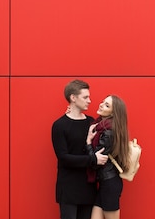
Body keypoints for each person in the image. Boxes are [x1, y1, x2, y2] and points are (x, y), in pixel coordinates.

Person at [52, 79, 109, 219]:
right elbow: (64, 158)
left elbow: (112, 122)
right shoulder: (59, 125)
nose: (89, 100)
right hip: (68, 189)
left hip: (88, 188)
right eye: (85, 97)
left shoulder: (91, 122)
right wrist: (92, 159)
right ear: (73, 98)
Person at [85, 95, 130, 219]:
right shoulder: (99, 126)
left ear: (113, 113)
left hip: (110, 183)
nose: (101, 104)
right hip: (105, 182)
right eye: (103, 102)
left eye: (107, 105)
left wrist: (89, 142)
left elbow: (96, 160)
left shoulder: (108, 132)